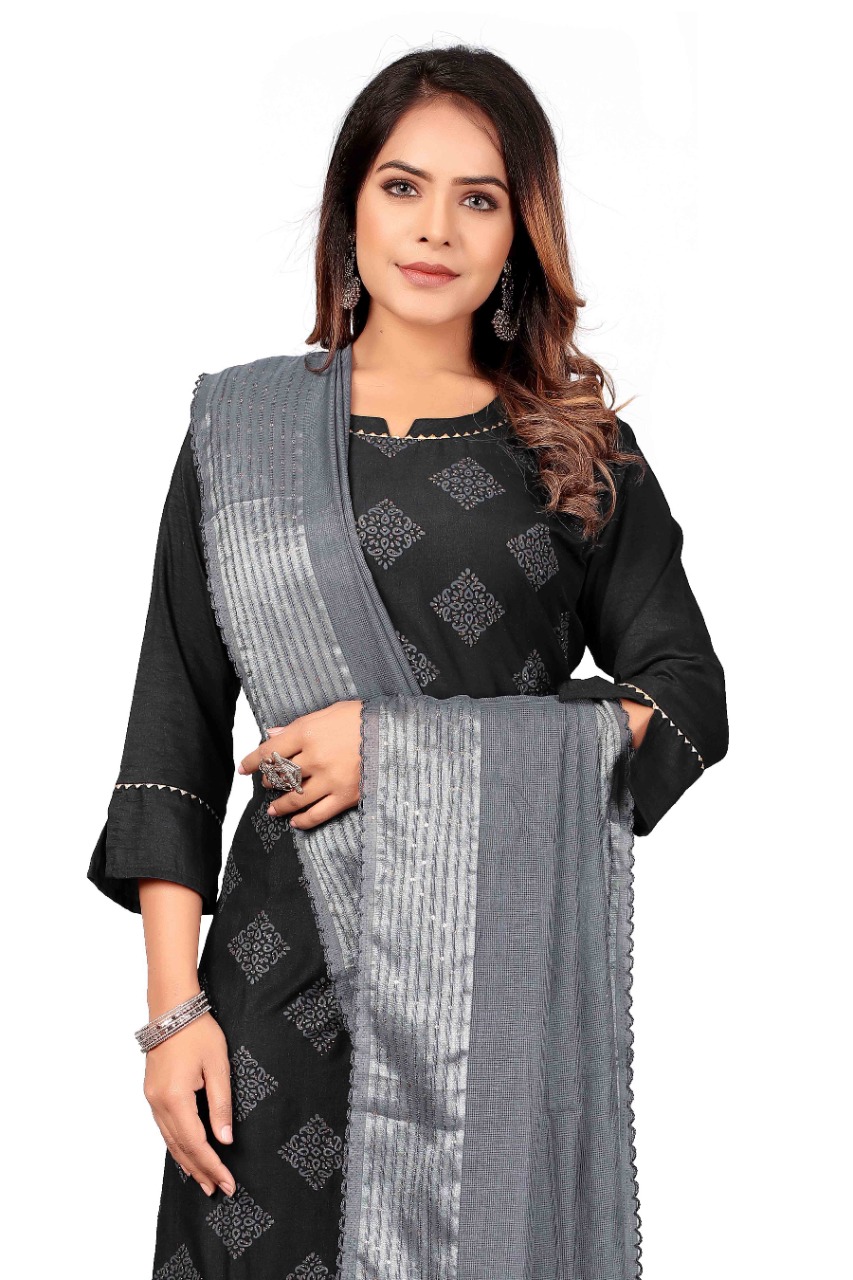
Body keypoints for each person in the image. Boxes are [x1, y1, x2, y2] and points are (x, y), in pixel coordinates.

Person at [88, 45, 728, 1279]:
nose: (435, 228)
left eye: (478, 198)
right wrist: (173, 1013)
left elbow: (688, 700)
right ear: (350, 208)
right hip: (275, 983)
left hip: (489, 999)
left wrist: (401, 748)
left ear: (519, 232)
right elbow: (173, 724)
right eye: (402, 186)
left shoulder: (573, 447)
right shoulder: (241, 432)